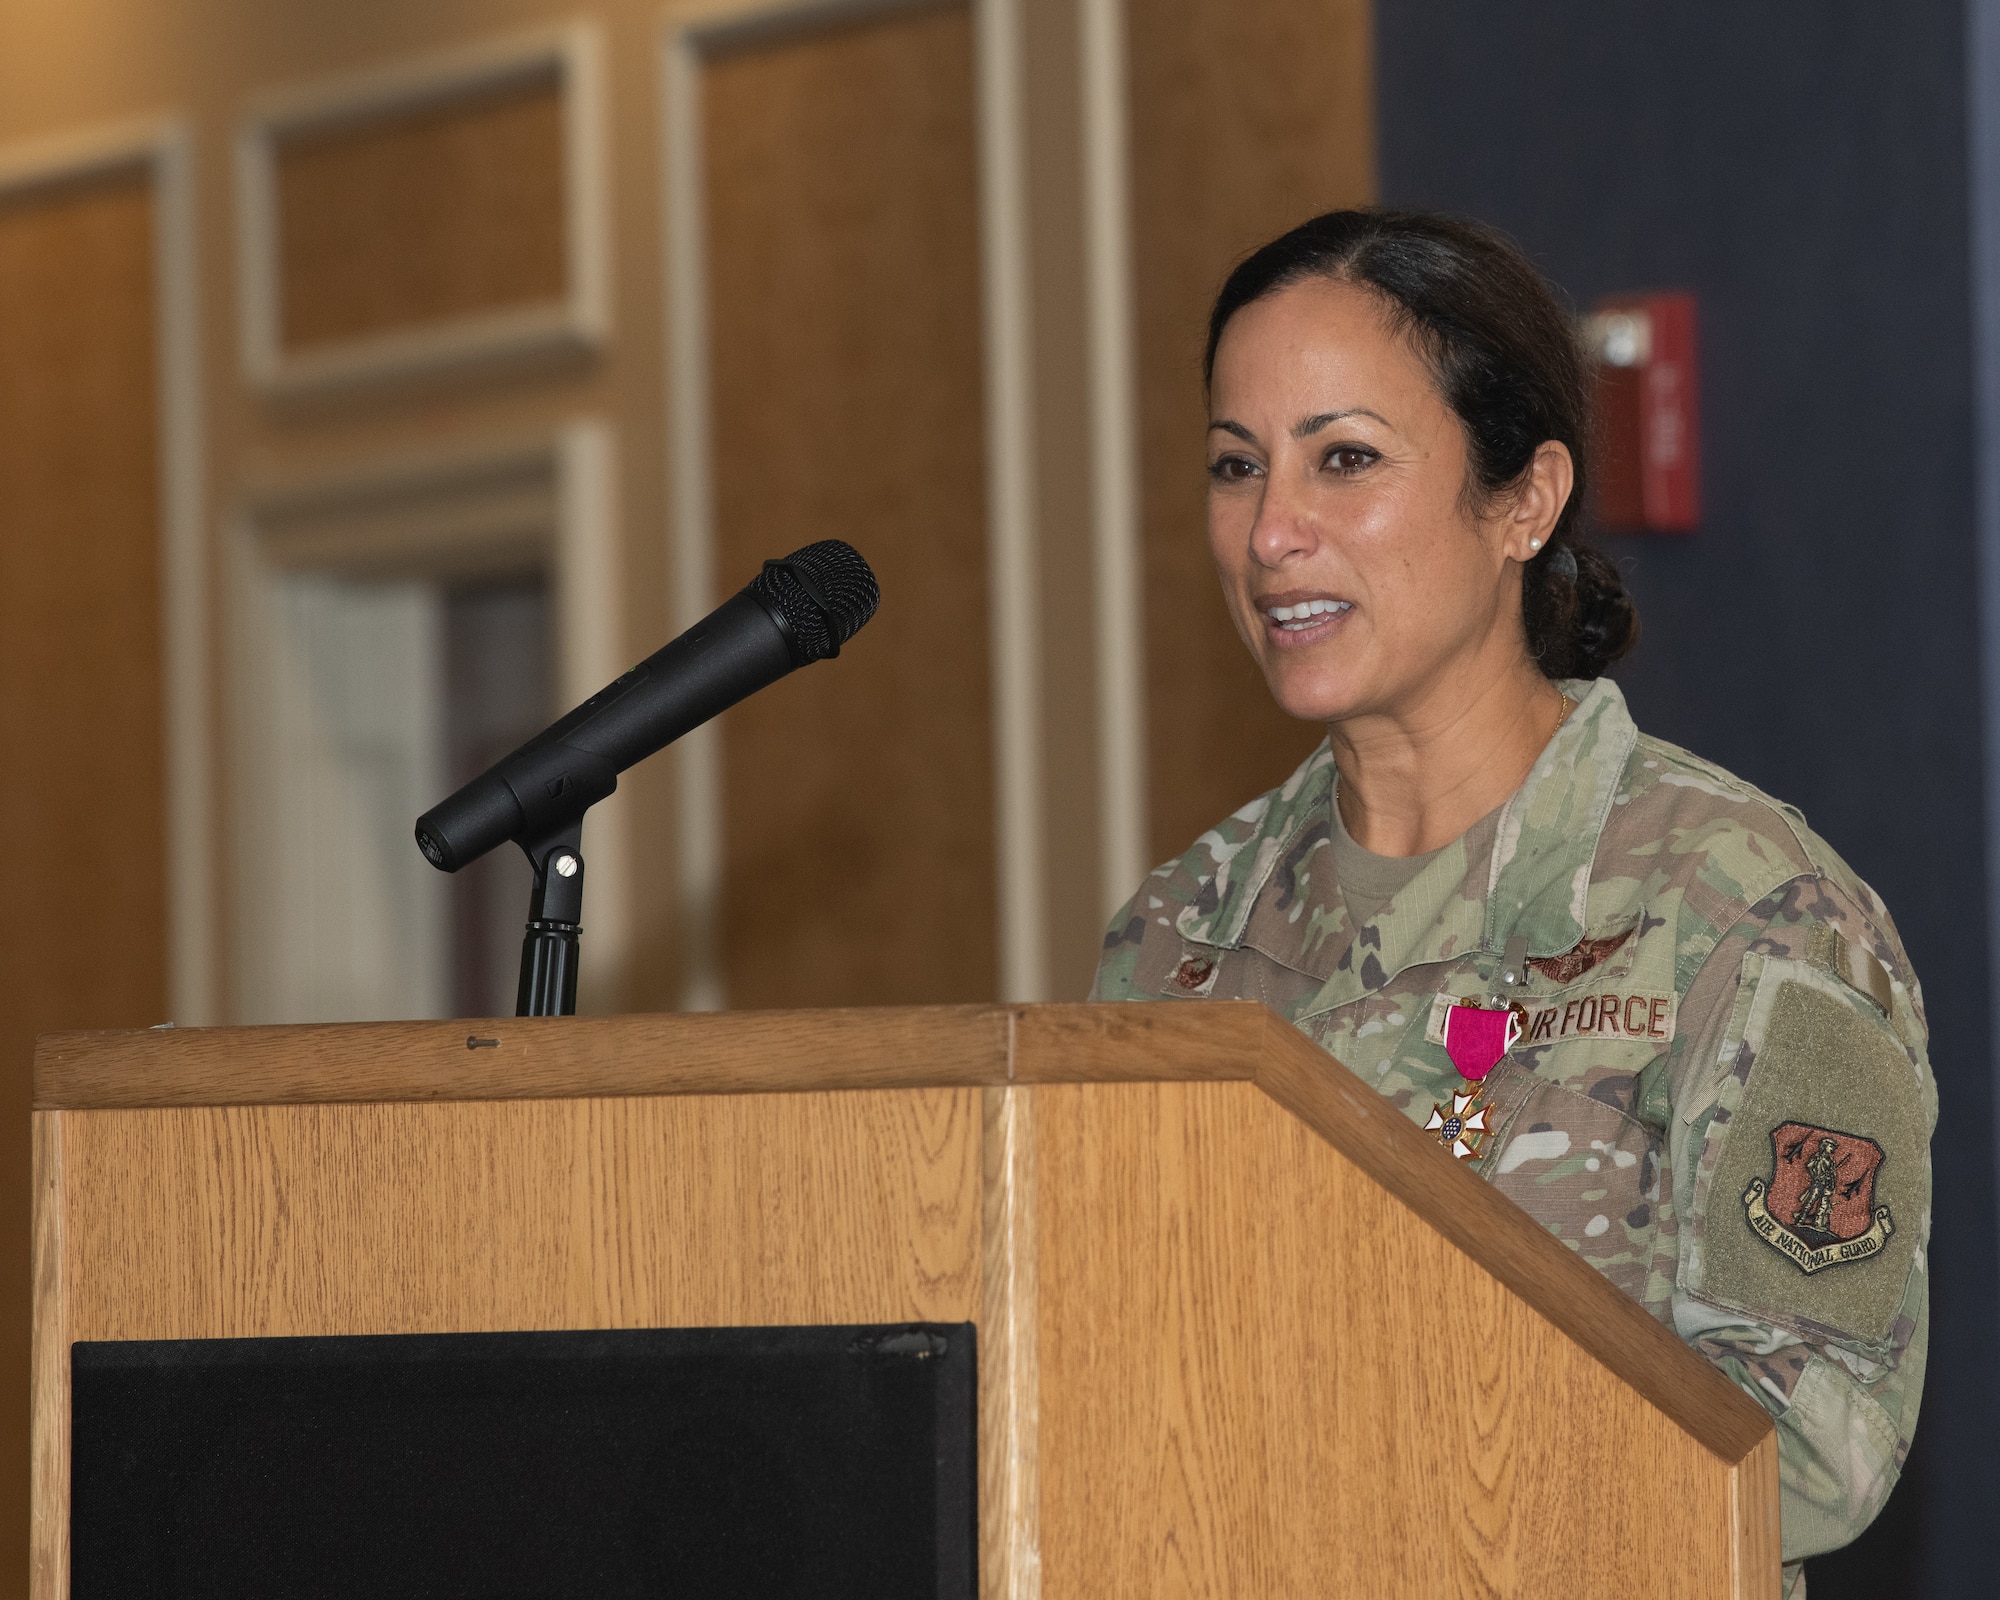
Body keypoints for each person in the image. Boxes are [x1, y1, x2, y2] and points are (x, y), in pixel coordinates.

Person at [1091, 209, 1932, 1598]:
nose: (1272, 531)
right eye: (1236, 467)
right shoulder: (1181, 934)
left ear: (1523, 502)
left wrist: (1364, 1454)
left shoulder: (1739, 904)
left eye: (1343, 459)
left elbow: (1815, 1448)